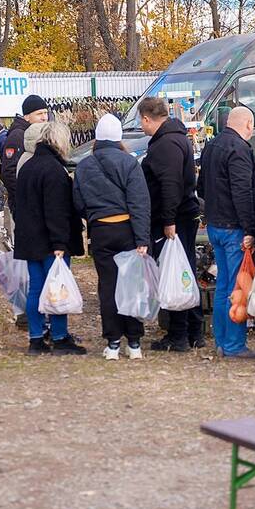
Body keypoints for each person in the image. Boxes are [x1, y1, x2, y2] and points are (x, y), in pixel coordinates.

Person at [73, 114, 150, 361]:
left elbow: (78, 202)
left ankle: (113, 342)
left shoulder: (85, 165)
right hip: (127, 230)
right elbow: (139, 202)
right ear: (119, 137)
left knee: (108, 287)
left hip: (101, 232)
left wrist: (93, 219)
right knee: (131, 285)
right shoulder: (130, 163)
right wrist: (142, 239)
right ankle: (135, 342)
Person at [13, 121, 86, 356]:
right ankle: (59, 335)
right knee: (58, 287)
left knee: (36, 288)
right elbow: (57, 210)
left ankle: (36, 338)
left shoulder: (27, 167)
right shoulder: (54, 170)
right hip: (50, 241)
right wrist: (59, 242)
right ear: (59, 142)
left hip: (28, 238)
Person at [197, 106, 255, 360]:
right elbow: (243, 192)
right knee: (238, 287)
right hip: (234, 228)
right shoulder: (239, 150)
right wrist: (250, 229)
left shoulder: (211, 146)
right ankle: (234, 344)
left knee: (225, 284)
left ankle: (221, 341)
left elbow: (201, 187)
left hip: (215, 225)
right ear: (248, 124)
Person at [138, 96, 203, 352]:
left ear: (147, 118)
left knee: (175, 273)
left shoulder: (164, 145)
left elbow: (170, 185)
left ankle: (178, 334)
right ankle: (194, 331)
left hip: (175, 219)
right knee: (185, 270)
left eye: (141, 122)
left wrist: (168, 220)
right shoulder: (178, 137)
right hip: (184, 214)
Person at [0, 95, 50, 238]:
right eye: (39, 114)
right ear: (27, 116)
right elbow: (8, 172)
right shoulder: (18, 136)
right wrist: (25, 196)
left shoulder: (36, 133)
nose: (44, 117)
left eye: (45, 113)